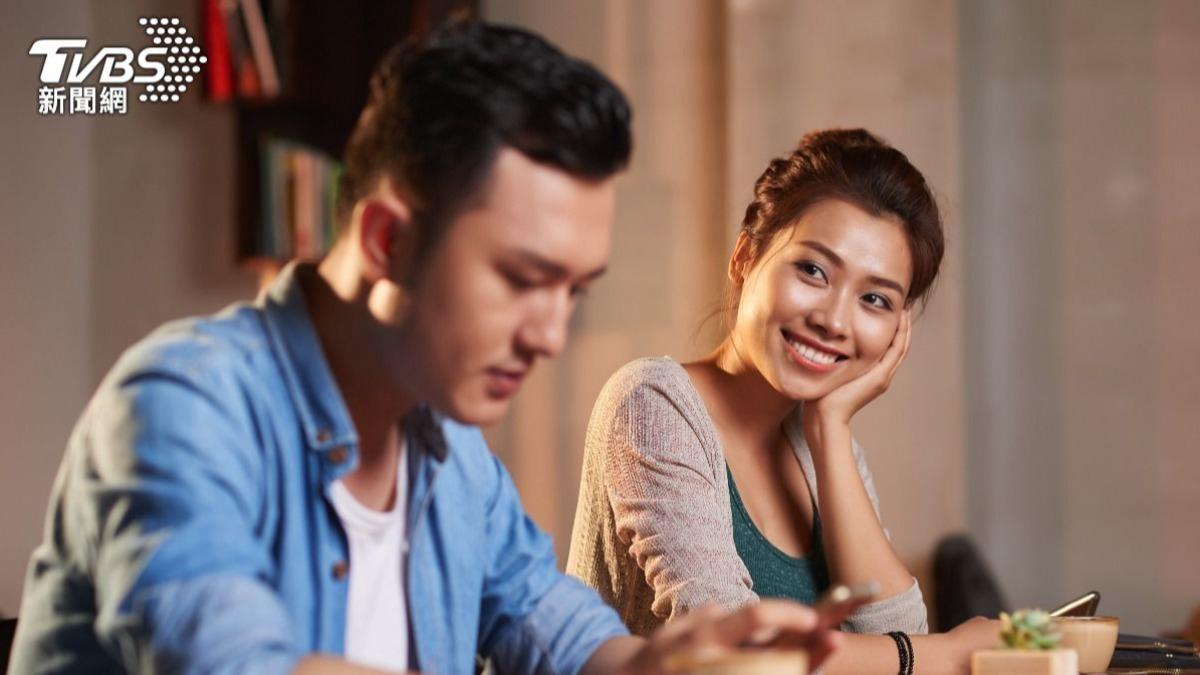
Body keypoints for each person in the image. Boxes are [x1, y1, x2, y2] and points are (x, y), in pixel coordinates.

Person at [7, 21, 838, 675]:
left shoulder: (450, 454)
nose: (551, 335)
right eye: (521, 277)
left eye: (573, 290)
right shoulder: (180, 405)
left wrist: (678, 661)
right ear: (385, 241)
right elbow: (232, 663)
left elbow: (557, 630)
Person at [567, 129, 1000, 674]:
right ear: (745, 257)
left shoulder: (822, 444)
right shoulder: (653, 403)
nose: (834, 320)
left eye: (874, 299)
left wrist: (831, 429)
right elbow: (735, 656)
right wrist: (946, 653)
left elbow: (898, 638)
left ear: (897, 330)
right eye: (813, 270)